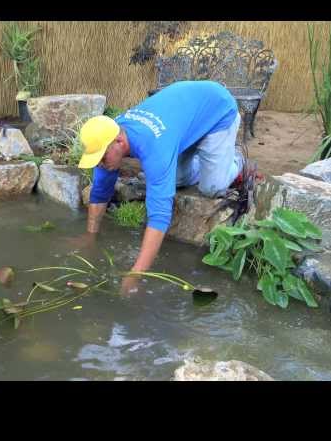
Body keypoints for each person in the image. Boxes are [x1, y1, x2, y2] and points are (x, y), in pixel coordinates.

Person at [75, 80, 244, 296]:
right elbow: (100, 189)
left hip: (216, 111)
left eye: (101, 158)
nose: (100, 163)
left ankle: (236, 160)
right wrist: (91, 237)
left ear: (119, 142)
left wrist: (135, 274)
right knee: (173, 180)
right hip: (183, 121)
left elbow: (160, 216)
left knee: (212, 187)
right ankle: (205, 160)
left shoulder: (154, 148)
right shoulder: (109, 136)